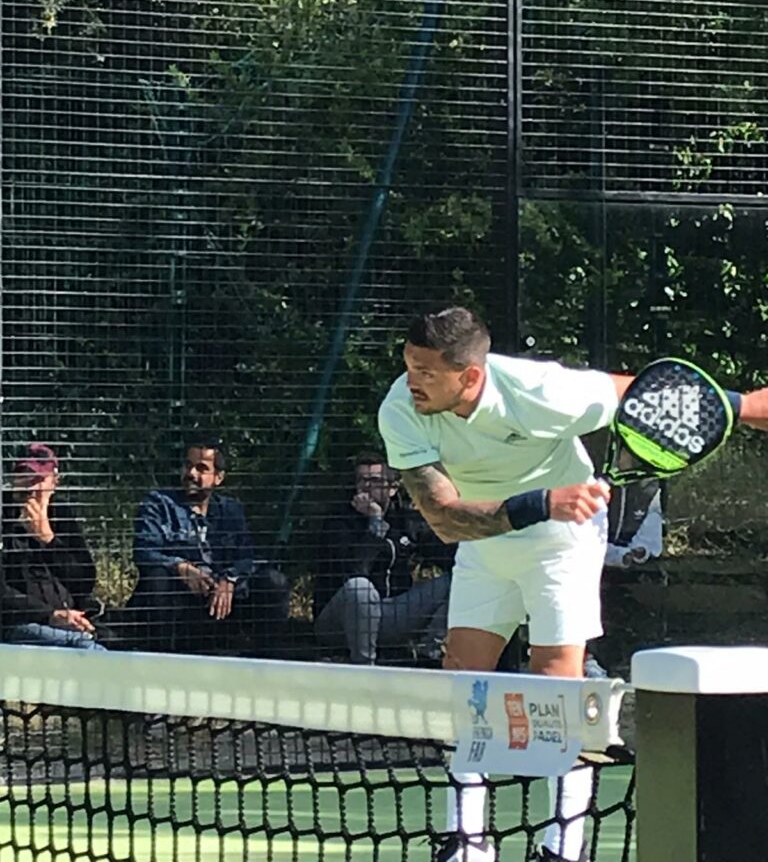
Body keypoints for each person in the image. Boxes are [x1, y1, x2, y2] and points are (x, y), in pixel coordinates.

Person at [378, 306, 768, 862]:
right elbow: (445, 517)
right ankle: (466, 840)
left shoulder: (541, 390)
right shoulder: (401, 408)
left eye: (426, 372)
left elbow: (644, 396)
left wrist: (739, 406)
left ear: (470, 375)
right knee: (462, 679)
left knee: (556, 685)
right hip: (491, 535)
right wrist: (542, 503)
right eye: (409, 366)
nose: (413, 381)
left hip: (565, 540)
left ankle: (564, 846)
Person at [129, 438, 289, 655]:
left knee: (273, 581)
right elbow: (144, 551)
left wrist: (230, 579)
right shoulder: (159, 504)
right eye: (188, 465)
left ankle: (264, 660)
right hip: (176, 600)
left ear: (218, 478)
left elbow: (247, 557)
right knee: (157, 578)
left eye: (201, 468)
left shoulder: (231, 510)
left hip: (223, 602)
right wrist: (180, 567)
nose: (191, 474)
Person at [313, 450, 454, 666]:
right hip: (340, 621)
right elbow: (354, 571)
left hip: (391, 615)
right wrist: (374, 523)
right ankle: (364, 667)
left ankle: (431, 656)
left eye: (375, 480)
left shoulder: (406, 520)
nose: (366, 486)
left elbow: (446, 556)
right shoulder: (338, 521)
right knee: (360, 588)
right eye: (361, 480)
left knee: (458, 579)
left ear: (393, 488)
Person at [1, 443, 106, 652]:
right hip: (19, 623)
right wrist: (50, 615)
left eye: (39, 479)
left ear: (54, 483)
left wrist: (47, 538)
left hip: (72, 617)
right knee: (86, 648)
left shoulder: (62, 515)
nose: (32, 487)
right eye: (25, 477)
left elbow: (84, 581)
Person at [585, 479, 665, 678]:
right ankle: (588, 662)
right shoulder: (592, 479)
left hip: (628, 573)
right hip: (587, 567)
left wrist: (640, 550)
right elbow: (583, 538)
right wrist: (618, 555)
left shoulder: (651, 483)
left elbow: (653, 521)